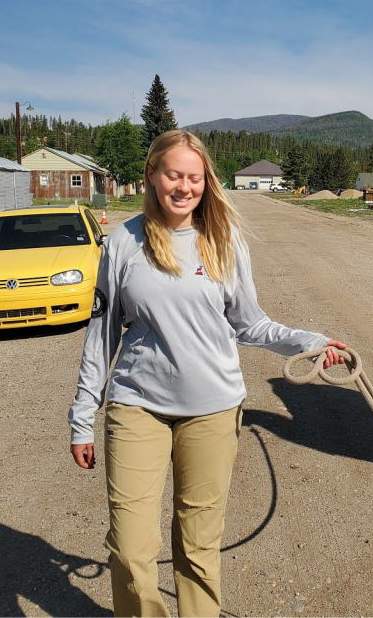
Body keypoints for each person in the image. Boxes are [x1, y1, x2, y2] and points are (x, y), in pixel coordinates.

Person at [68, 130, 346, 618]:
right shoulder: (122, 242)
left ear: (206, 181)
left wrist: (311, 341)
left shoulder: (223, 238)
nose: (183, 186)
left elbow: (250, 323)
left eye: (193, 177)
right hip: (137, 407)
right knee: (131, 550)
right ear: (152, 175)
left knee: (197, 549)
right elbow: (102, 333)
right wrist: (82, 414)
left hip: (213, 411)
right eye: (173, 174)